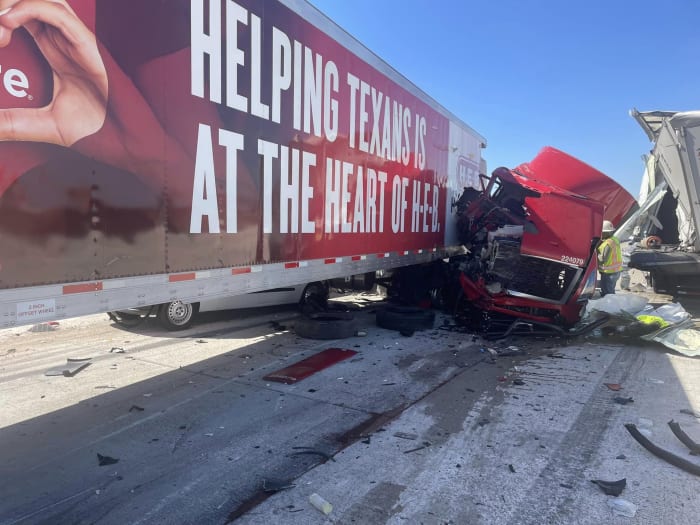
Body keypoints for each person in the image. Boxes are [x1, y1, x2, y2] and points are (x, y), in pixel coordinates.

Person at [597, 220, 623, 296]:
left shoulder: (607, 243)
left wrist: (595, 253)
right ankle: (609, 305)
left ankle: (609, 306)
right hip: (615, 271)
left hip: (609, 273)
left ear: (606, 232)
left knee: (607, 293)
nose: (600, 234)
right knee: (610, 291)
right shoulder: (614, 239)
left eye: (602, 232)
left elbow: (602, 259)